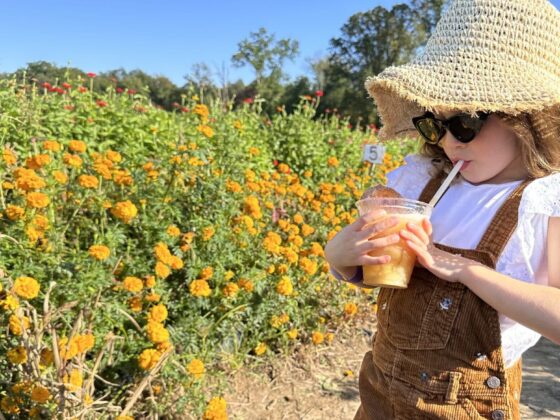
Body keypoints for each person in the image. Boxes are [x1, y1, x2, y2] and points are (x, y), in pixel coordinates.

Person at [324, 0, 560, 418]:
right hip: (378, 393)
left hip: (465, 405)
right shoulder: (422, 184)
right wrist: (341, 257)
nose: (449, 142)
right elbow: (375, 274)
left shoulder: (543, 203)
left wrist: (465, 270)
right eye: (434, 124)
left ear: (525, 118)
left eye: (465, 123)